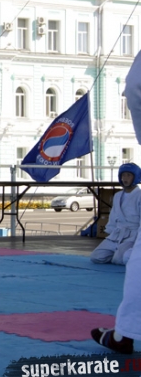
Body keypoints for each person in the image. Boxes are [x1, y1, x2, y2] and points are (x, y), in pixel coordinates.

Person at [91, 50, 141, 354]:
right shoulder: (121, 195)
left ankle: (125, 334)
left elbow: (135, 85)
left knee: (137, 262)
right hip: (119, 235)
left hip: (131, 236)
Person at [90, 163, 141, 265]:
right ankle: (120, 253)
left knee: (119, 259)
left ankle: (127, 253)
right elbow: (113, 216)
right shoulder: (117, 195)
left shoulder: (139, 196)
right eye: (123, 175)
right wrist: (111, 231)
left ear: (136, 177)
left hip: (132, 236)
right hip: (117, 234)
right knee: (96, 257)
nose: (125, 178)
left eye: (129, 175)